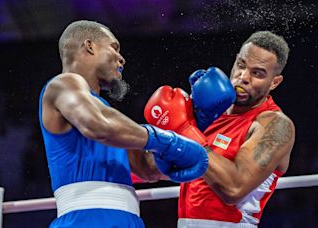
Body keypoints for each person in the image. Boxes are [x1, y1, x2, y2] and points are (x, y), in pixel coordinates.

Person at [38, 20, 210, 228]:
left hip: (128, 219)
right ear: (90, 46)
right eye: (114, 47)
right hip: (86, 220)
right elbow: (97, 125)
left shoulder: (112, 120)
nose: (122, 59)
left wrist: (191, 129)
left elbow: (147, 169)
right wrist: (164, 140)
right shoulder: (63, 85)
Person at [143, 31, 295, 227]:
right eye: (241, 65)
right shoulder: (211, 113)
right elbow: (153, 170)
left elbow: (234, 188)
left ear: (275, 82)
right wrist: (183, 126)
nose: (243, 77)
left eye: (257, 73)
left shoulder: (275, 125)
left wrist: (186, 129)